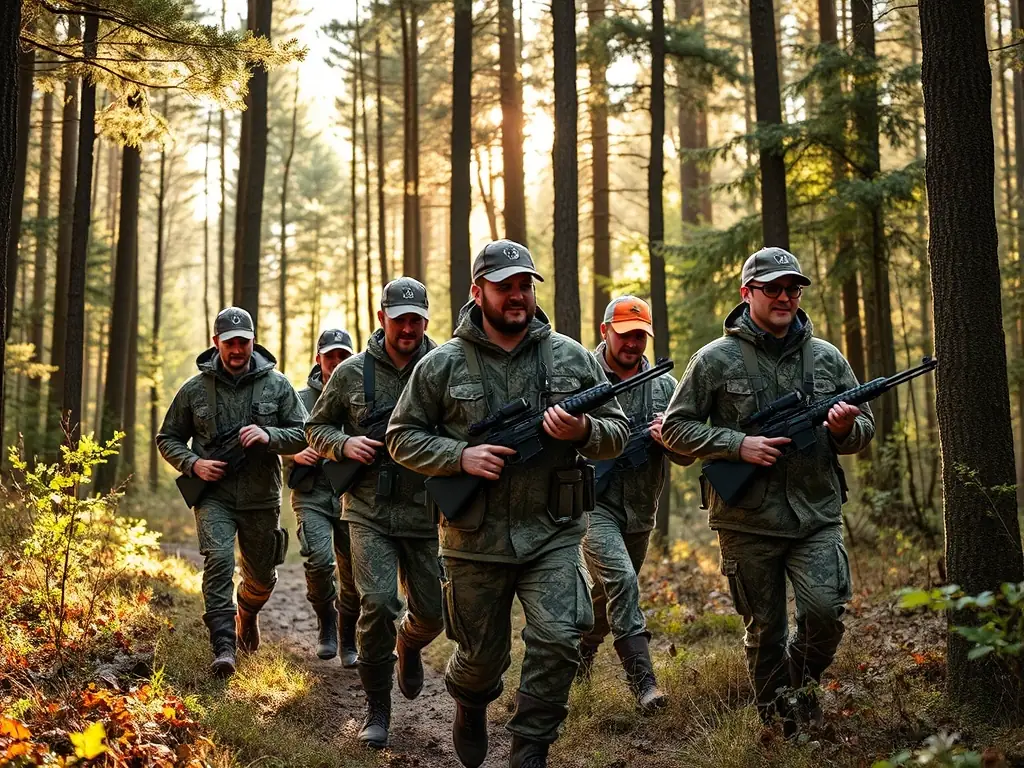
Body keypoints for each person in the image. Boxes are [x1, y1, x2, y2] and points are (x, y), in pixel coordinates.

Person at [386, 240, 629, 768]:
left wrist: (585, 427)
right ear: (478, 292)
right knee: (480, 660)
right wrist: (460, 456)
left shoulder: (570, 356)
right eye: (505, 286)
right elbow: (401, 438)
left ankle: (530, 746)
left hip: (554, 529)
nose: (517, 295)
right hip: (475, 538)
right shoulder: (442, 364)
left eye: (525, 285)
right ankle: (470, 702)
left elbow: (617, 431)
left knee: (563, 636)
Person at [660, 247, 875, 734]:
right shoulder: (713, 360)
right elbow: (674, 430)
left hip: (815, 512)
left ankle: (800, 687)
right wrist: (739, 445)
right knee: (766, 630)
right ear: (747, 293)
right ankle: (780, 722)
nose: (784, 297)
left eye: (792, 289)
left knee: (825, 612)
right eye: (772, 288)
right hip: (746, 519)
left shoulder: (826, 358)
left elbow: (864, 429)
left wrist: (844, 429)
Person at [305, 279, 443, 750]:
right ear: (381, 318)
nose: (407, 327)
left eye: (416, 319)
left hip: (427, 511)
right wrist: (344, 444)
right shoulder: (350, 373)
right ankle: (377, 708)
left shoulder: (445, 366)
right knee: (379, 603)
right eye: (399, 317)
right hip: (367, 509)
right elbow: (315, 427)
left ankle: (409, 644)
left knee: (431, 614)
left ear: (427, 320)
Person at [156, 307, 307, 678]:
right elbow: (167, 438)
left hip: (260, 497)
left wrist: (269, 436)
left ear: (253, 341)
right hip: (213, 496)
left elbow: (305, 433)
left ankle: (248, 612)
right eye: (229, 343)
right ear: (216, 343)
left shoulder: (278, 385)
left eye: (243, 342)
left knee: (261, 576)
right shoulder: (194, 390)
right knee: (219, 560)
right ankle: (223, 647)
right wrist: (194, 464)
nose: (237, 349)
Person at [577, 296, 692, 711]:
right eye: (625, 335)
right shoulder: (581, 374)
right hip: (592, 504)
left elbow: (687, 451)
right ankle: (645, 685)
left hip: (642, 510)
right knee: (623, 582)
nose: (632, 344)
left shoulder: (665, 385)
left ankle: (581, 656)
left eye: (640, 336)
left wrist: (672, 439)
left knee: (608, 597)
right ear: (606, 331)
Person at [289, 329, 359, 666]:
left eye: (343, 355)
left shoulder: (363, 395)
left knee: (355, 574)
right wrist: (295, 454)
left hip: (354, 494)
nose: (336, 362)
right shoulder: (299, 399)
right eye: (330, 356)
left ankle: (348, 638)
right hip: (311, 493)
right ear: (318, 359)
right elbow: (278, 437)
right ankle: (326, 623)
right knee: (319, 560)